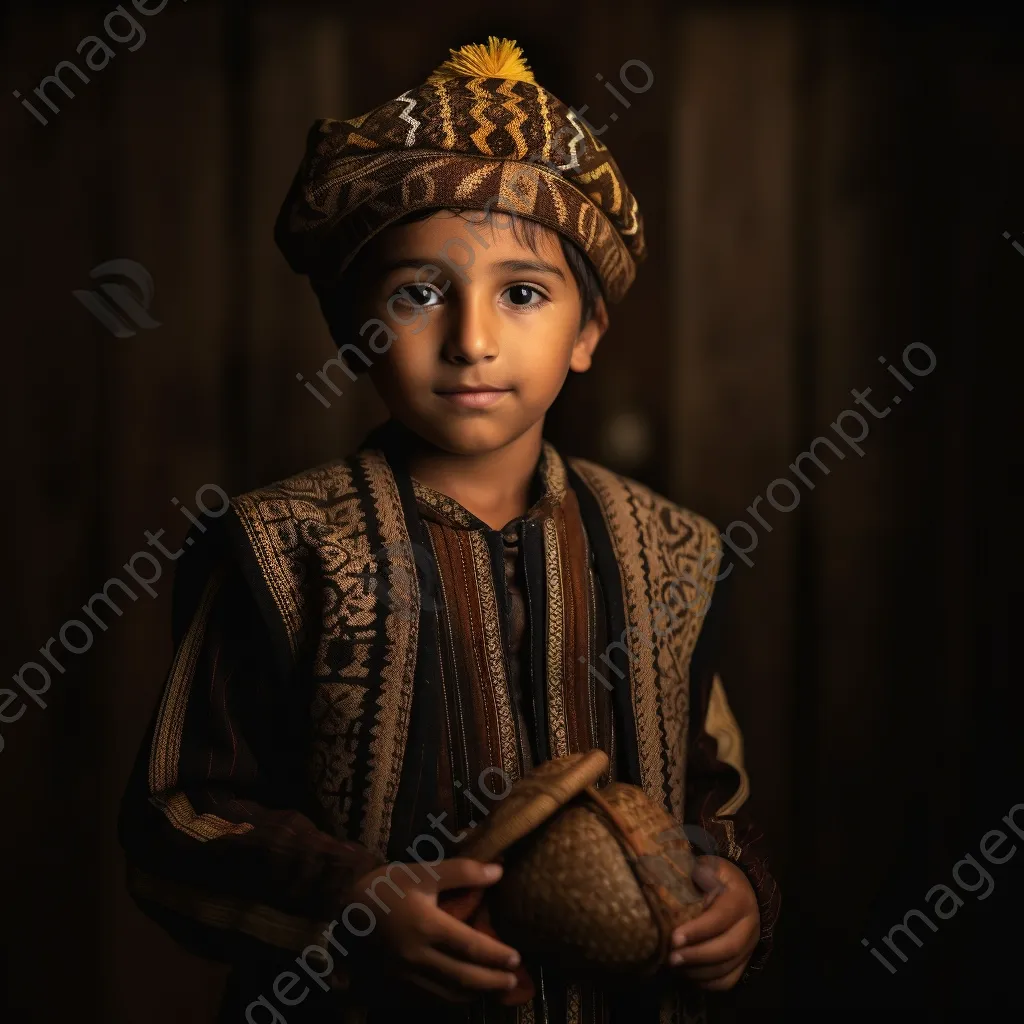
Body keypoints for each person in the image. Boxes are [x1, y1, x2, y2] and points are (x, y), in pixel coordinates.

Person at [119, 36, 780, 1024]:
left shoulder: (669, 551)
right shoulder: (279, 551)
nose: (471, 338)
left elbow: (709, 793)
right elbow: (178, 821)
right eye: (418, 293)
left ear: (588, 329)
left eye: (522, 293)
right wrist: (352, 903)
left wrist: (737, 893)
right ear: (355, 330)